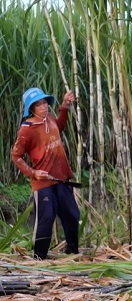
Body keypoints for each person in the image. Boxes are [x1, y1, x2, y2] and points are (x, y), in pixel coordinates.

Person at [11, 87, 80, 260]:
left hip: (61, 177)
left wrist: (64, 105)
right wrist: (33, 173)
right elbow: (16, 156)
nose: (44, 107)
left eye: (45, 102)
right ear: (31, 108)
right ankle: (39, 258)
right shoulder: (26, 130)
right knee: (46, 218)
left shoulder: (49, 118)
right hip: (43, 182)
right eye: (38, 104)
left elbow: (59, 126)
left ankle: (72, 252)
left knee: (72, 214)